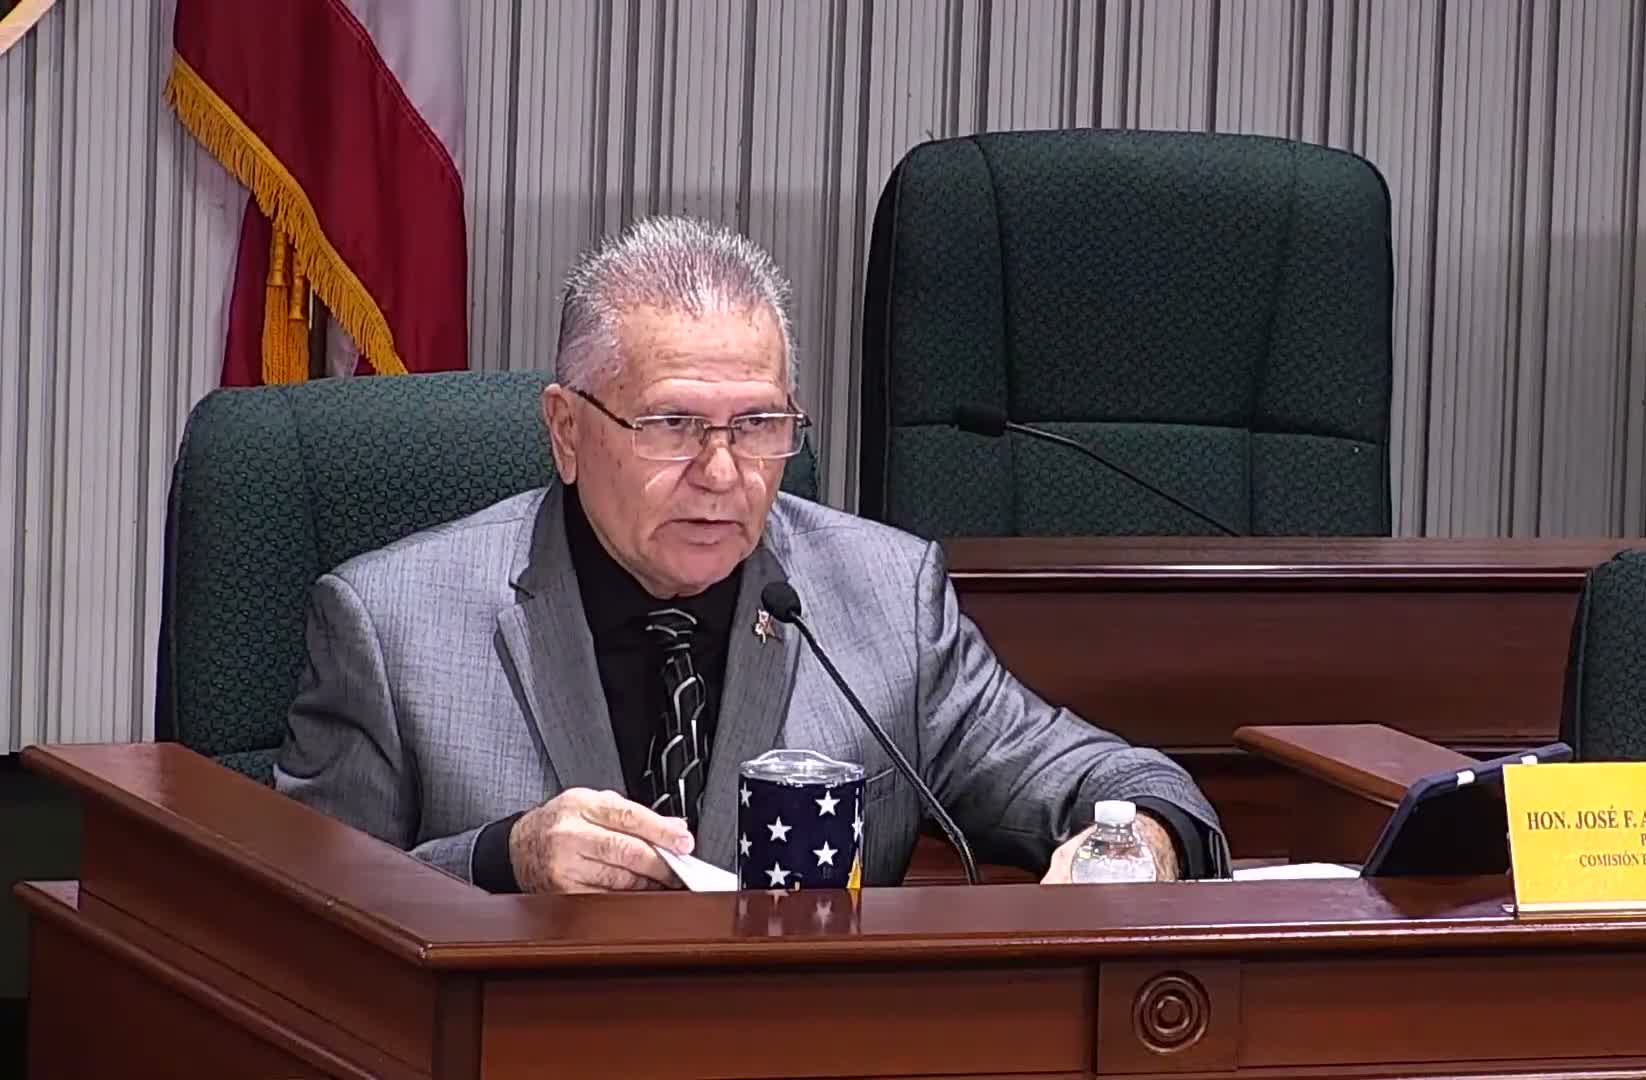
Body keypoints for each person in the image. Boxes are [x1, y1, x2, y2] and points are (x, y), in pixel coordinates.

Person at [273, 216, 1228, 893]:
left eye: (760, 425)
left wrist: (1140, 844)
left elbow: (1129, 786)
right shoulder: (392, 626)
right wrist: (499, 859)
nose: (723, 472)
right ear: (566, 431)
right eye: (673, 425)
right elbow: (301, 911)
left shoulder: (887, 600)